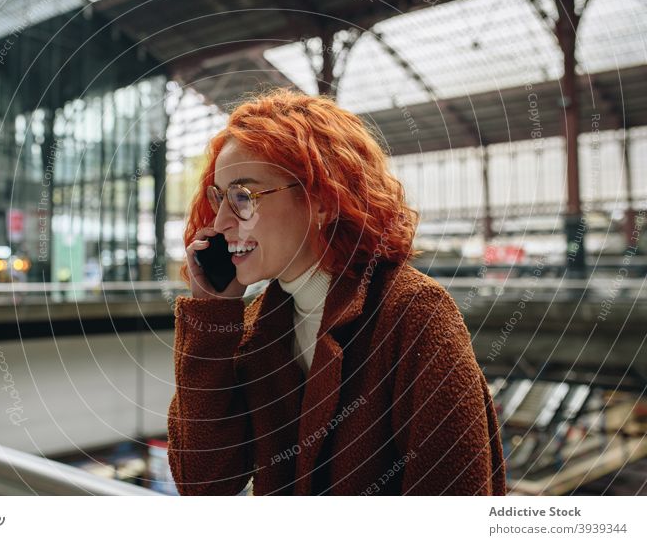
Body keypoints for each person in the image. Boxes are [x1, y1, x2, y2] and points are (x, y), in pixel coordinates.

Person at [167, 89, 506, 496]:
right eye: (219, 197)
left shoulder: (414, 313)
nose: (221, 222)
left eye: (243, 197)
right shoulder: (261, 325)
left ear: (323, 200)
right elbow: (203, 482)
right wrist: (213, 314)